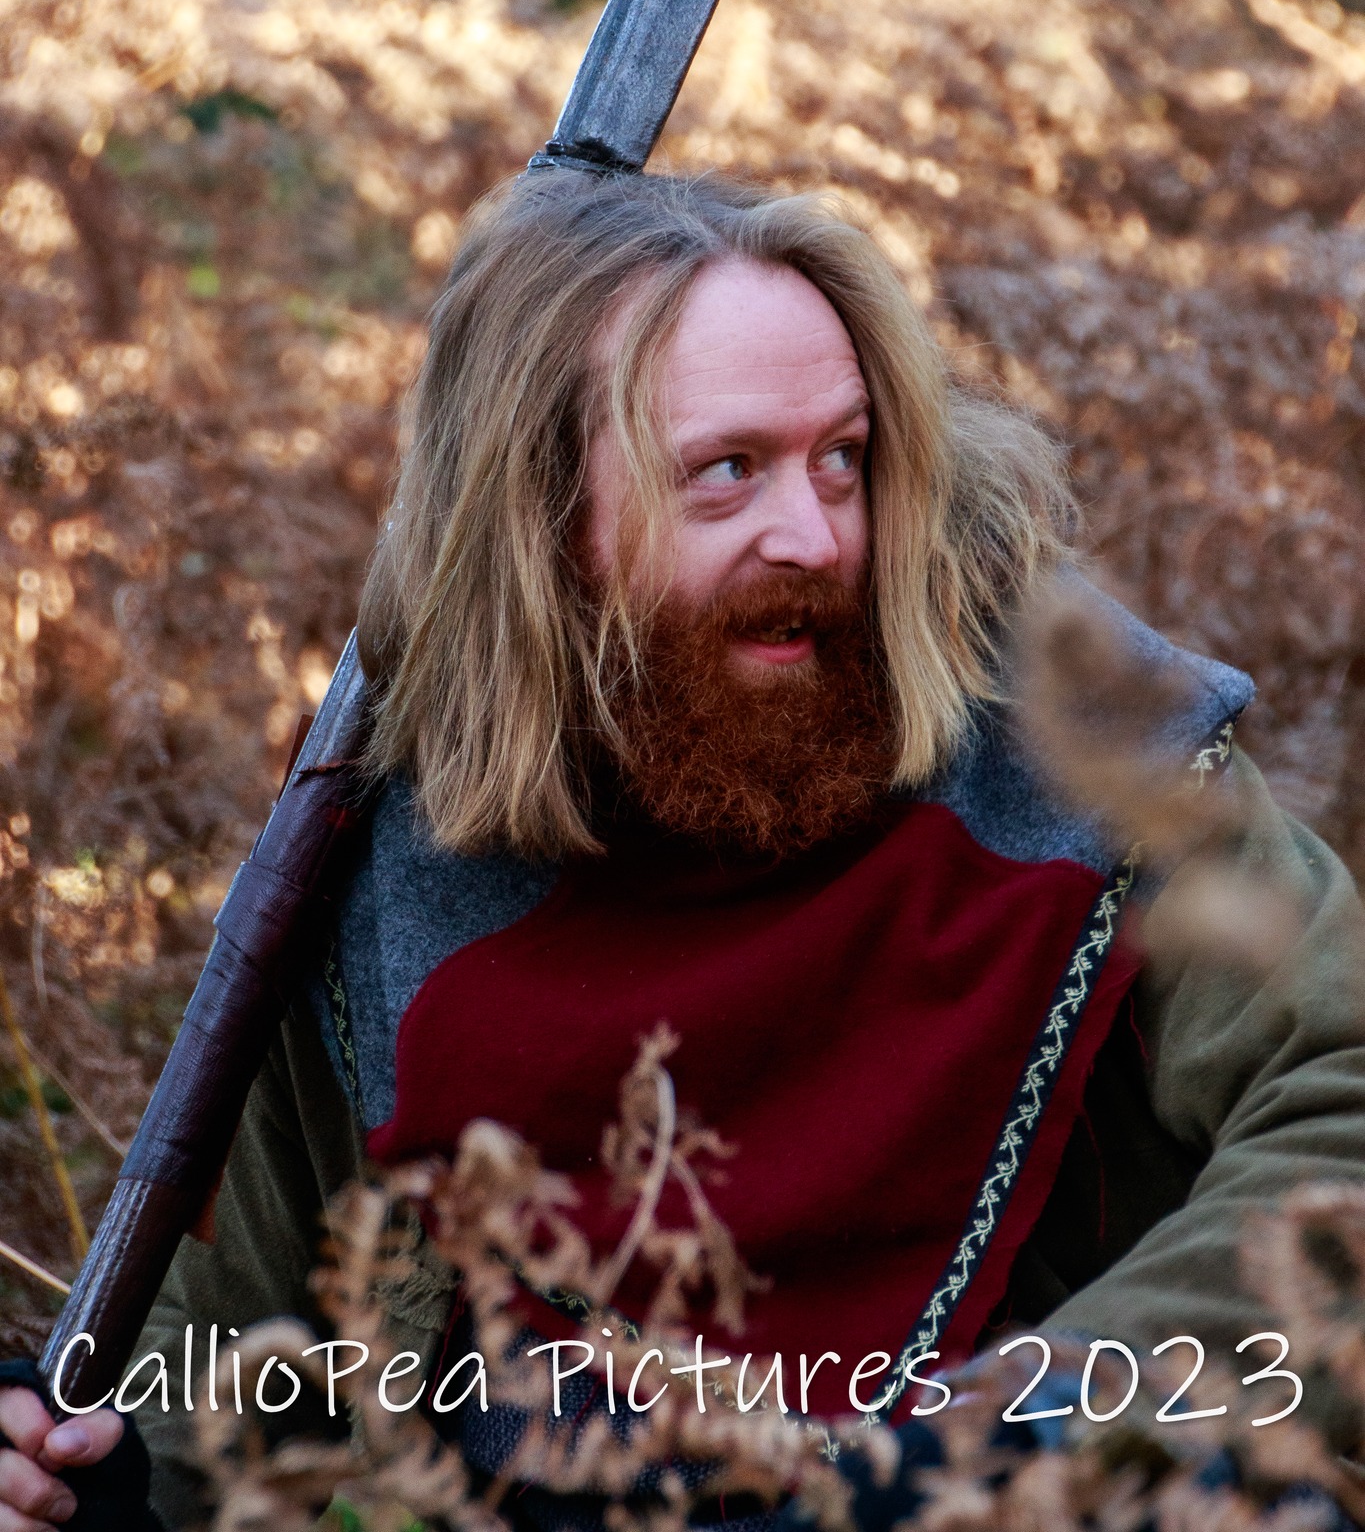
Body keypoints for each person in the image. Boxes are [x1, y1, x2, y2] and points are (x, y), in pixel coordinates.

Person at [4, 167, 1365, 1529]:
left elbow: (1345, 1102)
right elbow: (230, 1371)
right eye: (728, 472)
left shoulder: (1069, 744)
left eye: (843, 457)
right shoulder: (386, 871)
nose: (815, 535)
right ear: (540, 516)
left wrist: (1032, 1428)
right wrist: (97, 1485)